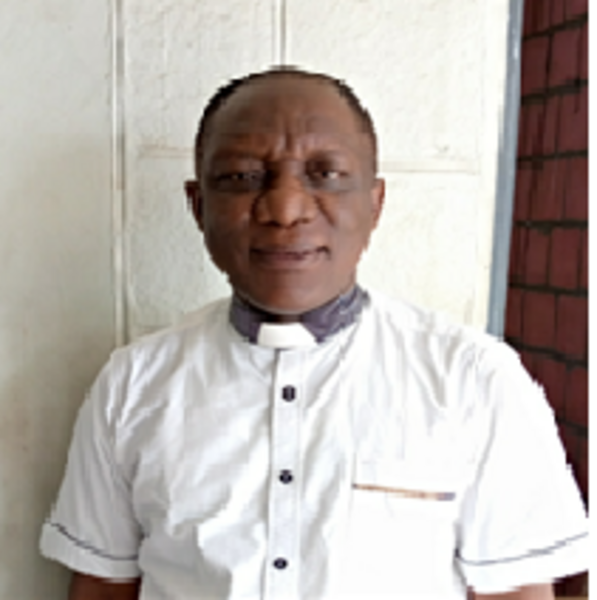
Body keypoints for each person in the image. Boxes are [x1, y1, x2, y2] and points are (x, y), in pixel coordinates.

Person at [40, 67, 588, 600]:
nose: (285, 209)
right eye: (242, 177)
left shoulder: (473, 378)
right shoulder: (133, 382)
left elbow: (517, 591)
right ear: (199, 206)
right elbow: (103, 585)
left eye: (325, 174)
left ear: (374, 204)